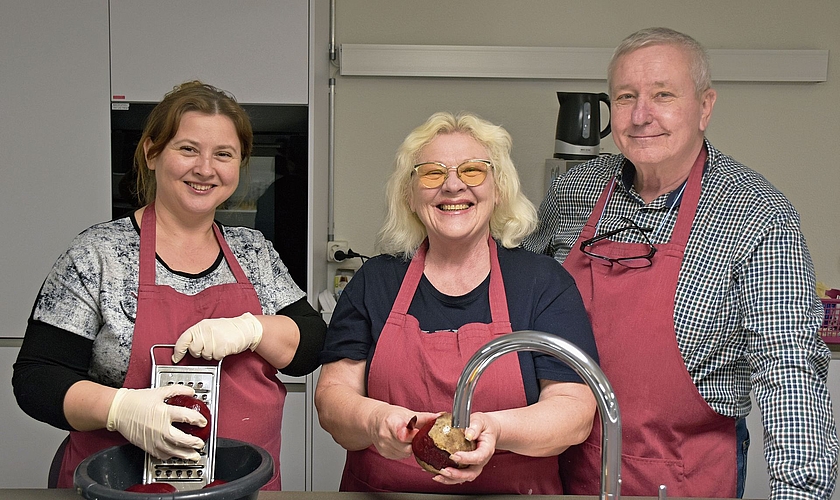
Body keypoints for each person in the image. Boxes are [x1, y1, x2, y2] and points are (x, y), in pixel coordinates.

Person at [522, 27, 838, 499]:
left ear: (705, 106)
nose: (641, 115)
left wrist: (801, 493)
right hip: (563, 468)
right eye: (626, 97)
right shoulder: (575, 191)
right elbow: (512, 300)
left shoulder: (756, 214)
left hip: (683, 476)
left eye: (663, 95)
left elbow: (788, 368)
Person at [12, 81, 326, 490]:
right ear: (152, 152)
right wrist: (119, 408)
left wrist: (252, 328)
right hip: (119, 487)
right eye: (188, 149)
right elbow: (37, 378)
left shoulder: (254, 253)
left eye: (224, 154)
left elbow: (311, 345)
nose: (205, 168)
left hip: (240, 487)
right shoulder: (99, 254)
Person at [314, 111, 599, 494]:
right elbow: (333, 399)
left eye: (473, 171)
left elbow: (574, 413)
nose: (452, 186)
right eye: (432, 173)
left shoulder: (542, 283)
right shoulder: (377, 281)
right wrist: (374, 419)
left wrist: (496, 430)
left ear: (498, 190)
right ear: (409, 196)